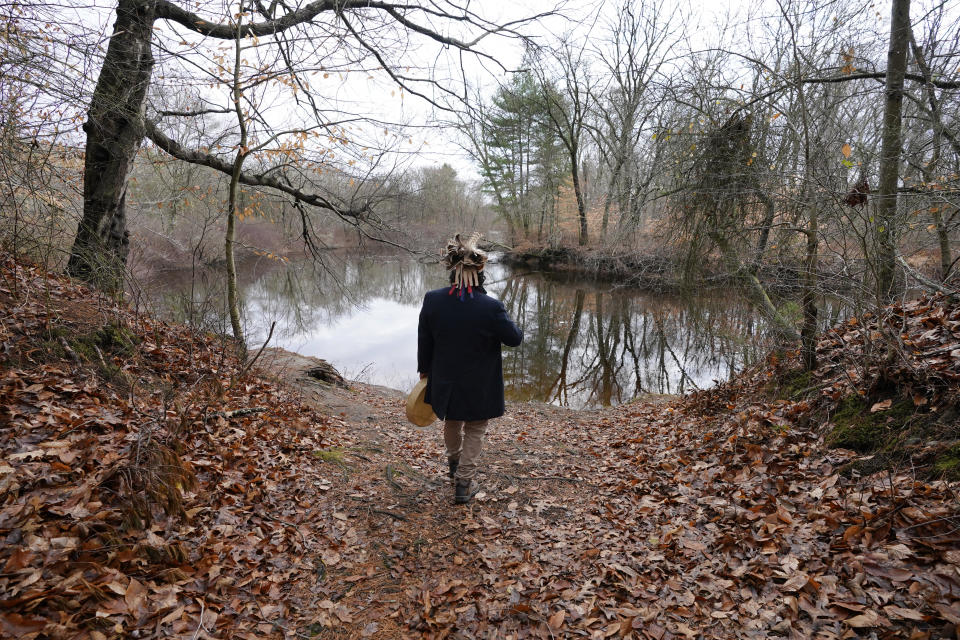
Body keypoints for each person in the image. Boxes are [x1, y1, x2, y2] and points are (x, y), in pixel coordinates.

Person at [417, 233, 523, 504]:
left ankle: (454, 467)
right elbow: (514, 339)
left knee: (452, 420)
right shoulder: (490, 307)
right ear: (480, 273)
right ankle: (463, 483)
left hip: (445, 380)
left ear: (453, 271)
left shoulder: (433, 299)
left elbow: (424, 339)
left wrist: (424, 372)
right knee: (475, 428)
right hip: (479, 385)